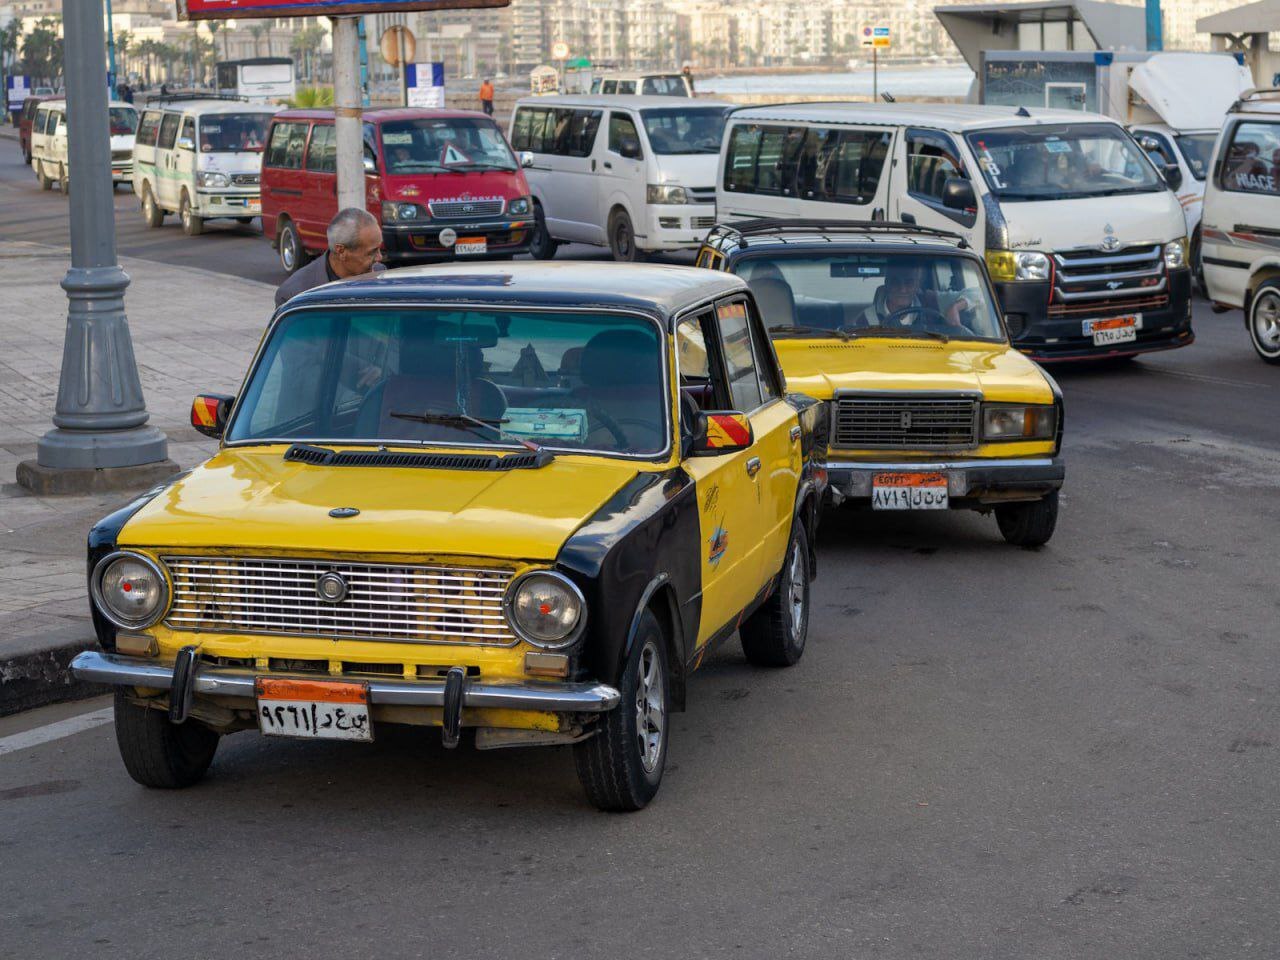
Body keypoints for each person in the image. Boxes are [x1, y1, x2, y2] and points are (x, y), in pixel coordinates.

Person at [275, 207, 385, 307]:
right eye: (372, 252)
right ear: (341, 251)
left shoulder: (380, 274)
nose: (379, 258)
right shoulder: (295, 295)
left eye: (379, 249)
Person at [855, 261, 969, 330]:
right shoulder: (866, 318)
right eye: (896, 282)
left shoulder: (931, 301)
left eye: (909, 282)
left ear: (917, 285)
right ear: (887, 283)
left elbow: (978, 294)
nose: (903, 289)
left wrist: (955, 307)